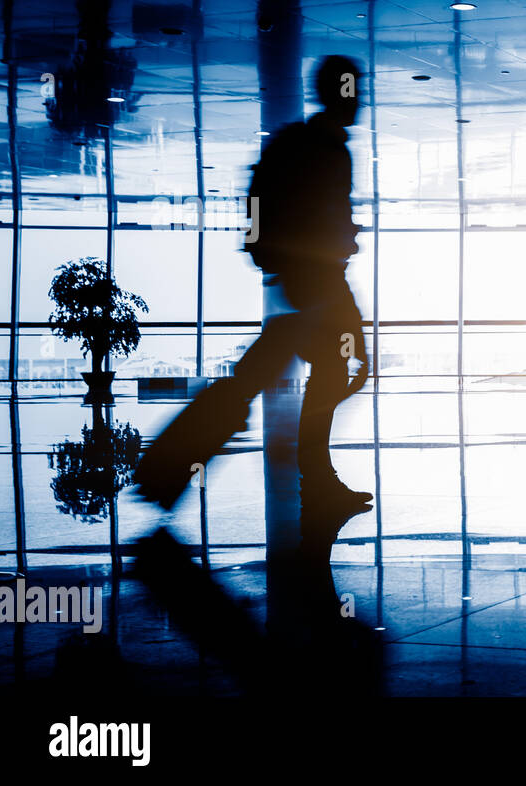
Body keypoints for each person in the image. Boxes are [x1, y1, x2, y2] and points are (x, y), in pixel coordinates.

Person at [136, 55, 372, 511]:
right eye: (354, 90)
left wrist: (273, 253)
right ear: (338, 93)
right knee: (329, 366)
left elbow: (267, 203)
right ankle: (315, 476)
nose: (360, 101)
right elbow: (307, 213)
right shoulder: (322, 148)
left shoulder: (308, 145)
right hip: (318, 276)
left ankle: (175, 463)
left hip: (311, 274)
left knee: (288, 364)